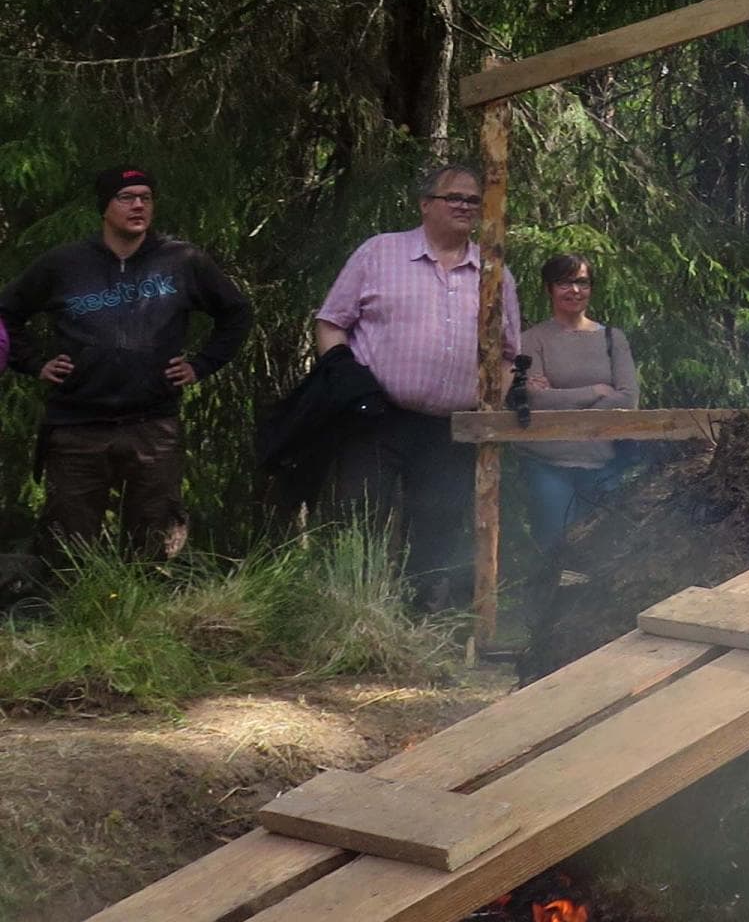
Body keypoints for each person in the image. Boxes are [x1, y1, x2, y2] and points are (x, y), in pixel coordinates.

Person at [1, 165, 254, 559]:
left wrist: (202, 365)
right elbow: (7, 314)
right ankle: (69, 613)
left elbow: (236, 313)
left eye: (146, 197)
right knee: (66, 546)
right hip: (76, 426)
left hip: (152, 425)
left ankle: (146, 618)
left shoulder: (182, 261)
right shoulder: (63, 264)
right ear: (105, 206)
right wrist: (34, 363)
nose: (138, 205)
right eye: (127, 197)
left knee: (154, 544)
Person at [312, 163, 521, 608]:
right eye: (455, 198)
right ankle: (350, 613)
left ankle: (417, 621)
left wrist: (490, 406)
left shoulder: (494, 273)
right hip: (375, 419)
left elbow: (508, 354)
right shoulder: (379, 253)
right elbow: (331, 323)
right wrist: (345, 378)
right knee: (358, 516)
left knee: (438, 526)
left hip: (452, 427)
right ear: (425, 204)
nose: (465, 206)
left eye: (473, 200)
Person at [516, 251, 638, 567]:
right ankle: (543, 615)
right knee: (551, 552)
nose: (574, 290)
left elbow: (627, 399)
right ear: (549, 289)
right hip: (548, 465)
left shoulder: (613, 339)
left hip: (604, 464)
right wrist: (596, 391)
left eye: (582, 282)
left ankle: (595, 617)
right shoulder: (532, 340)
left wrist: (561, 396)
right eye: (565, 283)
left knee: (602, 554)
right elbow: (536, 401)